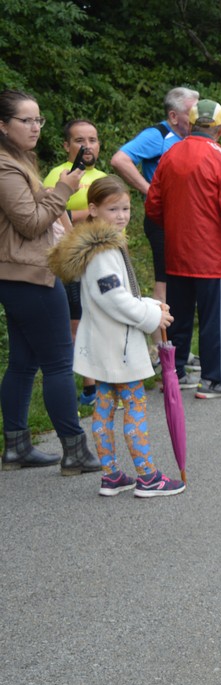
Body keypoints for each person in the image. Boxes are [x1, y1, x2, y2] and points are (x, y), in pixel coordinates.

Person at [48, 176, 184, 497]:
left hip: (104, 346)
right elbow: (115, 300)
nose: (122, 215)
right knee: (135, 406)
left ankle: (111, 475)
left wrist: (150, 303)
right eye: (113, 209)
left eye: (126, 208)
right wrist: (152, 316)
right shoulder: (103, 252)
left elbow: (117, 293)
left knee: (105, 407)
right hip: (119, 348)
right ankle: (148, 477)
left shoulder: (104, 245)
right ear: (93, 210)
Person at [0, 90, 101, 476]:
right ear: (3, 125)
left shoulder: (19, 160)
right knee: (60, 362)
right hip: (28, 275)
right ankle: (74, 452)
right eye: (26, 120)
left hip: (22, 272)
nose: (35, 127)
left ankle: (17, 448)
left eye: (38, 119)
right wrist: (64, 190)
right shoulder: (5, 167)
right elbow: (30, 222)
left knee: (24, 363)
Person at [146, 99, 221, 400]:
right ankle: (214, 380)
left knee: (179, 316)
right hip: (211, 257)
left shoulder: (169, 155)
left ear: (191, 125)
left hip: (176, 253)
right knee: (214, 319)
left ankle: (176, 373)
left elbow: (153, 206)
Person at [111, 86, 198, 314]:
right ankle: (163, 348)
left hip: (187, 222)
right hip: (162, 220)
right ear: (173, 115)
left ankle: (177, 346)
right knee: (166, 282)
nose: (197, 117)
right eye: (191, 112)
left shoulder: (194, 138)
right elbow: (120, 160)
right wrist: (150, 191)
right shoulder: (157, 135)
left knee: (186, 282)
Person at [44, 118, 109, 405]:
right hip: (73, 260)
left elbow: (117, 217)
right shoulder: (57, 175)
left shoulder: (105, 177)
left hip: (103, 258)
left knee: (105, 320)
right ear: (66, 146)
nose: (87, 146)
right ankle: (85, 389)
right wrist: (92, 213)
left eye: (92, 140)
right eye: (80, 140)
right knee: (77, 326)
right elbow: (50, 215)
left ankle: (105, 384)